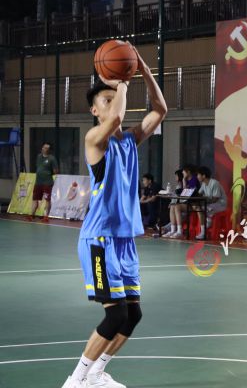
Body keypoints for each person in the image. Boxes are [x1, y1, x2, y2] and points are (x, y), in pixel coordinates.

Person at [62, 44, 167, 388]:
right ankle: (76, 380)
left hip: (123, 240)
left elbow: (161, 109)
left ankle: (96, 374)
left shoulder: (129, 142)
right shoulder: (95, 139)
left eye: (114, 97)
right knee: (115, 314)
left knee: (132, 314)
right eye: (104, 100)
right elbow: (116, 119)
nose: (112, 103)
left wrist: (144, 71)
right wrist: (121, 81)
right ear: (94, 110)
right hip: (99, 239)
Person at [163, 165, 199, 239]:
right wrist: (184, 180)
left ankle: (179, 231)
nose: (182, 172)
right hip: (186, 203)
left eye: (184, 171)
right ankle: (173, 230)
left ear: (188, 172)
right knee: (172, 206)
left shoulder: (194, 179)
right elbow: (184, 192)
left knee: (177, 206)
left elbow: (189, 192)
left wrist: (184, 182)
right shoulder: (187, 180)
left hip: (193, 204)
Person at [28, 142, 59, 222]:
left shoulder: (52, 159)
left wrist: (48, 173)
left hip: (47, 183)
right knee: (35, 199)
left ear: (49, 150)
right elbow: (38, 167)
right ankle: (31, 215)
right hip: (38, 182)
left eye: (46, 148)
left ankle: (46, 217)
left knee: (47, 200)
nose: (44, 149)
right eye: (43, 147)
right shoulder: (39, 157)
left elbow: (56, 171)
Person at [195, 166, 227, 240]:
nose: (197, 177)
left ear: (203, 176)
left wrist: (204, 202)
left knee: (202, 208)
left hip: (220, 204)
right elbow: (198, 194)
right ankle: (206, 225)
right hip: (211, 204)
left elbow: (215, 199)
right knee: (198, 208)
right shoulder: (203, 184)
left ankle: (205, 228)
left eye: (198, 175)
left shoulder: (214, 183)